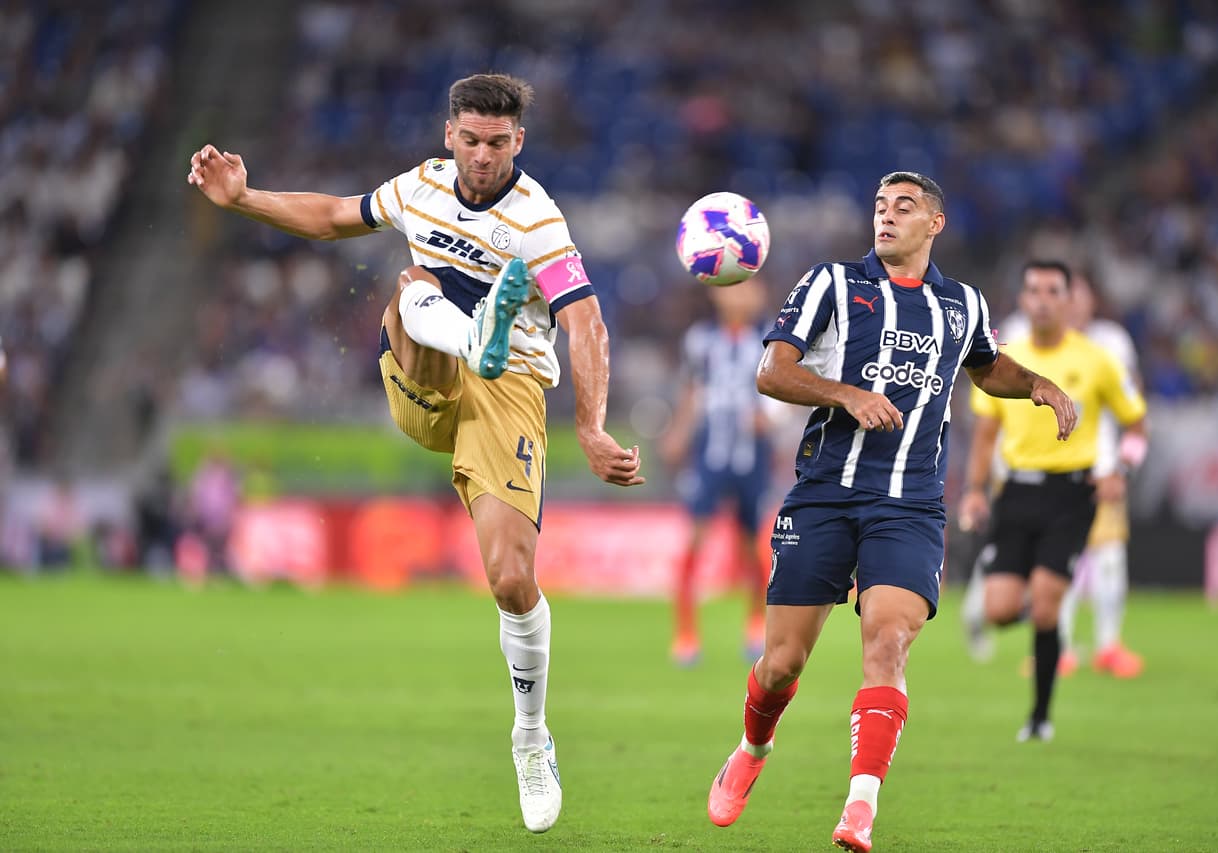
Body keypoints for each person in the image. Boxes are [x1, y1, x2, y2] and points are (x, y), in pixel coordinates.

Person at [187, 73, 644, 834]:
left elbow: (586, 321)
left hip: (510, 393)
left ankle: (531, 736)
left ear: (518, 143)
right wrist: (244, 198)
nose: (483, 156)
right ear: (448, 135)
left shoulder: (539, 221)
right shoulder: (420, 187)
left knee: (510, 577)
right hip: (427, 377)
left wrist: (591, 427)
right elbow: (336, 215)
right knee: (409, 284)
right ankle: (474, 335)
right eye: (471, 140)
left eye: (499, 143)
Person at [704, 171, 1077, 851]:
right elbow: (771, 370)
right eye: (879, 206)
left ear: (934, 222)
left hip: (910, 503)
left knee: (888, 638)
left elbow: (986, 366)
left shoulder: (962, 302)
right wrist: (846, 394)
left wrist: (1038, 384)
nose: (886, 216)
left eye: (903, 207)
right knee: (782, 661)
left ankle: (860, 804)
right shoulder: (832, 284)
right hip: (823, 494)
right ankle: (753, 747)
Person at [957, 260, 1147, 743]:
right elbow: (985, 434)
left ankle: (1039, 719)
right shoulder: (1004, 364)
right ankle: (1003, 613)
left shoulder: (1098, 359)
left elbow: (1137, 424)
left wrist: (1120, 469)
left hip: (1071, 492)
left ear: (1069, 301)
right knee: (1001, 610)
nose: (1042, 299)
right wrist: (975, 491)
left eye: (1052, 291)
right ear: (1022, 300)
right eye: (1033, 290)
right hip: (1015, 489)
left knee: (1045, 606)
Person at [660, 277, 772, 666]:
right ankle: (686, 633)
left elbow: (788, 394)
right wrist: (678, 433)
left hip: (751, 453)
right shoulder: (701, 340)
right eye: (732, 287)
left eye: (748, 288)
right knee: (694, 538)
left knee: (752, 544)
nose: (740, 295)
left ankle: (757, 623)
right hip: (709, 451)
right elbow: (692, 391)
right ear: (715, 292)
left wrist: (774, 420)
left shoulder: (772, 339)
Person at [1058, 270, 1148, 677]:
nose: (1073, 303)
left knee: (1109, 558)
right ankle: (1058, 648)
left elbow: (1134, 406)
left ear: (1092, 300)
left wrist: (1124, 468)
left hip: (1104, 468)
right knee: (1058, 562)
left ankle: (1109, 645)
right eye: (1066, 295)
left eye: (1080, 294)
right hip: (1053, 470)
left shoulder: (1111, 342)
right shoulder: (1033, 342)